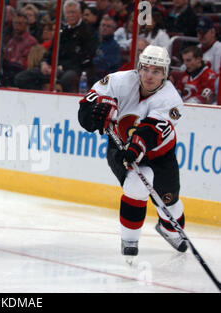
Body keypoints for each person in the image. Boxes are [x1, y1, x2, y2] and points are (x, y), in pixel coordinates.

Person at [78, 45, 187, 258]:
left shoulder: (171, 100)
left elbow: (150, 131)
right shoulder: (118, 81)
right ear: (139, 67)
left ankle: (168, 228)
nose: (149, 75)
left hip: (159, 153)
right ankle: (130, 239)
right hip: (120, 146)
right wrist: (92, 116)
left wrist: (136, 148)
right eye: (145, 69)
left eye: (156, 71)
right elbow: (86, 106)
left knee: (169, 201)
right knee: (138, 182)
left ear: (165, 74)